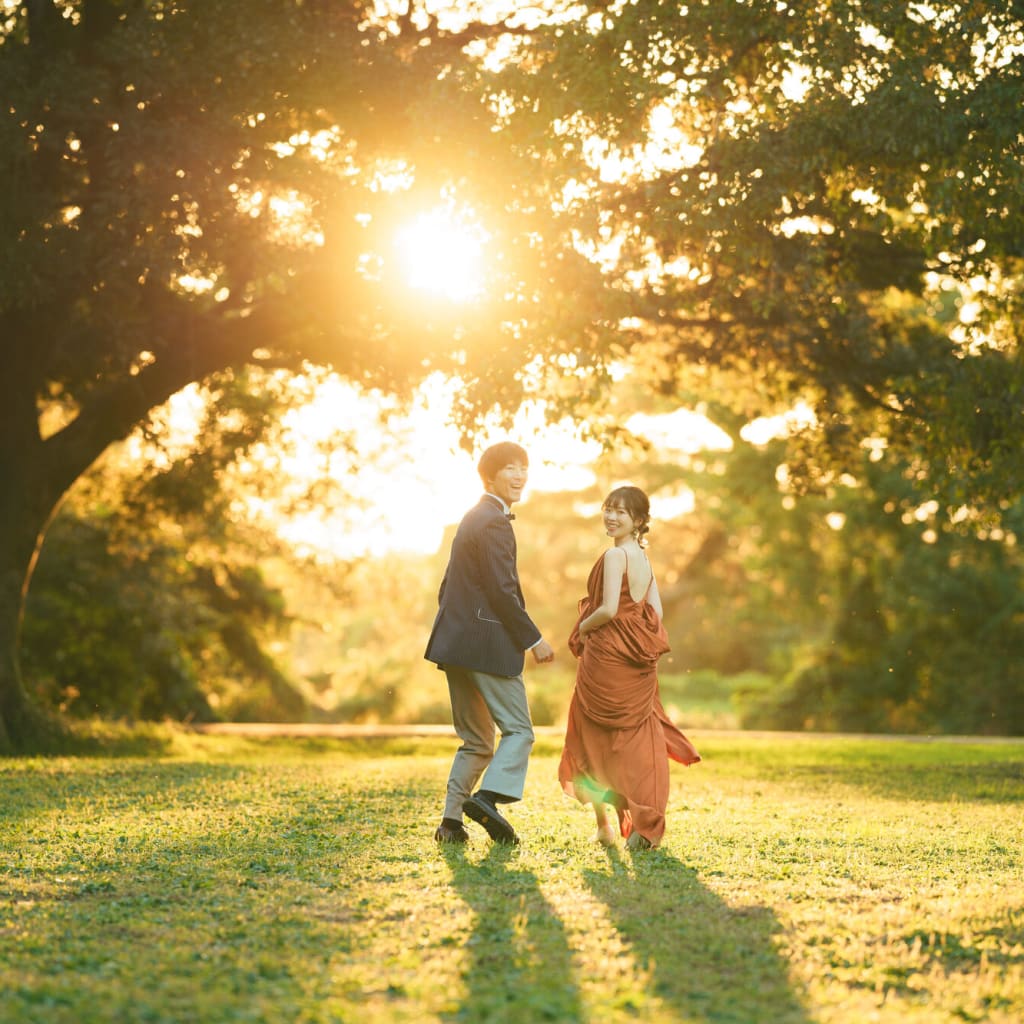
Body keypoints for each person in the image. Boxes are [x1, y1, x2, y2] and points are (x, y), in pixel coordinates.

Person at [425, 441, 555, 846]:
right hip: (487, 647)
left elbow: (447, 587)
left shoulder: (471, 517)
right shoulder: (495, 522)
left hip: (456, 647)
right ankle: (487, 798)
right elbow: (502, 590)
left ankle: (451, 823)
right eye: (510, 468)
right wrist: (533, 639)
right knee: (519, 731)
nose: (520, 476)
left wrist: (457, 632)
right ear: (490, 476)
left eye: (524, 468)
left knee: (477, 742)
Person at [558, 485, 700, 850]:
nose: (611, 516)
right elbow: (656, 612)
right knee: (634, 742)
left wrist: (582, 627)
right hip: (634, 661)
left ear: (638, 520)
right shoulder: (643, 560)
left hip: (606, 656)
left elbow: (607, 609)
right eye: (608, 509)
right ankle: (638, 820)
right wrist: (635, 638)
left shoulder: (615, 555)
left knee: (590, 735)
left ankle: (604, 826)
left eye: (621, 512)